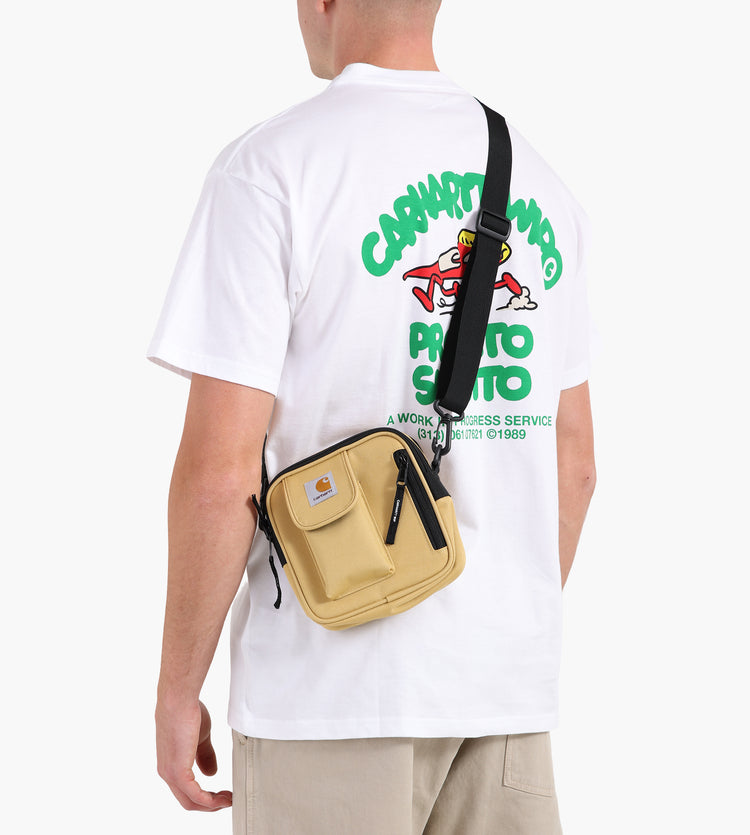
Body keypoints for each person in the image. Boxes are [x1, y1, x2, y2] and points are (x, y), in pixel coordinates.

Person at [149, 0, 596, 832]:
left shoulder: (273, 170)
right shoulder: (544, 185)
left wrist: (178, 689)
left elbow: (219, 474)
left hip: (329, 695)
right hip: (505, 699)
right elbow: (575, 465)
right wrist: (489, 624)